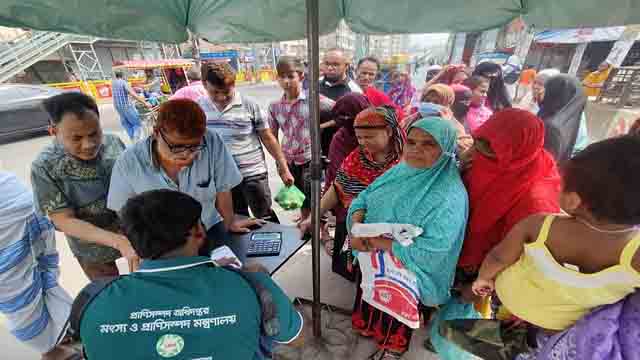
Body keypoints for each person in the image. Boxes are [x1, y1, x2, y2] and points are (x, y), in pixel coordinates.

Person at [448, 136, 640, 360]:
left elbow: (498, 258)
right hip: (561, 326)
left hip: (515, 303)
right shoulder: (635, 255)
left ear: (574, 201)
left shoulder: (541, 225)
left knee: (493, 330)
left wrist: (482, 282)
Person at [79, 189, 304, 360]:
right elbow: (294, 336)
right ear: (198, 231)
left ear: (131, 240)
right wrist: (257, 279)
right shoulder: (254, 285)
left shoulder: (91, 300)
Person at [347, 117, 470, 358]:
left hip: (405, 270)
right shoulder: (401, 171)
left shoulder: (450, 195)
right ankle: (369, 327)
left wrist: (376, 242)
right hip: (371, 254)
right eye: (411, 142)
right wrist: (357, 223)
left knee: (394, 308)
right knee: (370, 292)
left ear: (445, 148)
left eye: (428, 144)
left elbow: (436, 250)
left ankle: (392, 347)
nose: (416, 149)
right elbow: (365, 196)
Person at [108, 99, 259, 257]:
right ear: (156, 133)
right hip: (163, 249)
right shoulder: (129, 162)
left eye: (194, 146)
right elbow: (124, 212)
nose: (186, 154)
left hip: (208, 232)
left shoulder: (211, 141)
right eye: (177, 146)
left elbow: (223, 187)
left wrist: (229, 222)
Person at [456, 109, 561, 297]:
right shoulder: (498, 156)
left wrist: (477, 291)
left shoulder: (535, 201)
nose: (473, 153)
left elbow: (514, 260)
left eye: (487, 149)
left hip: (482, 271)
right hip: (458, 247)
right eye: (477, 142)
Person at [32, 92, 137, 280]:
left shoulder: (113, 143)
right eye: (76, 138)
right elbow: (63, 220)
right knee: (108, 295)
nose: (88, 144)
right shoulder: (45, 167)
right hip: (93, 251)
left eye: (94, 133)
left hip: (135, 236)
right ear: (54, 132)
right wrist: (118, 241)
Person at [299, 106, 404, 281]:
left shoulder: (407, 161)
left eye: (369, 137)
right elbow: (338, 187)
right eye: (359, 137)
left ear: (388, 131)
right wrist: (314, 217)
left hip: (391, 238)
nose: (363, 143)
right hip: (357, 228)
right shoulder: (359, 156)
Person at [197, 62, 292, 223]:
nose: (221, 97)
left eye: (226, 92)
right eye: (215, 92)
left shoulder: (250, 105)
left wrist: (283, 166)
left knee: (264, 215)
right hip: (223, 178)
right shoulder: (199, 107)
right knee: (237, 218)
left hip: (252, 173)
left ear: (233, 84)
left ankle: (272, 245)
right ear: (204, 85)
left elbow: (268, 138)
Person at [0, 171, 75, 358]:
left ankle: (58, 330)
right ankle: (50, 348)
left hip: (16, 202)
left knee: (43, 275)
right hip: (13, 213)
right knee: (18, 296)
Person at [269, 56, 335, 221]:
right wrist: (280, 164)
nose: (286, 81)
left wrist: (321, 127)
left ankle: (316, 228)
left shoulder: (314, 100)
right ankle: (306, 224)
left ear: (301, 76)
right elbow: (272, 137)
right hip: (288, 159)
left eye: (290, 76)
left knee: (313, 199)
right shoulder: (275, 106)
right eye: (281, 76)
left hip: (309, 159)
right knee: (297, 198)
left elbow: (341, 111)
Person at [320, 48, 362, 156]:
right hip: (315, 149)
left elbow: (355, 121)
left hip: (342, 151)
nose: (330, 68)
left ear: (346, 66)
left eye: (336, 64)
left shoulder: (355, 91)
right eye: (327, 64)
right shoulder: (314, 85)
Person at [538, 74, 588, 163]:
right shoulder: (574, 116)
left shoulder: (551, 128)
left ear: (554, 93)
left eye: (547, 89)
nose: (541, 92)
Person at [112, 71, 150, 140]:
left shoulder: (113, 83)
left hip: (117, 107)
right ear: (123, 75)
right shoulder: (124, 82)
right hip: (126, 105)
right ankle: (136, 140)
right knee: (137, 123)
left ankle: (132, 138)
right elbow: (133, 94)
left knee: (126, 123)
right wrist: (145, 103)